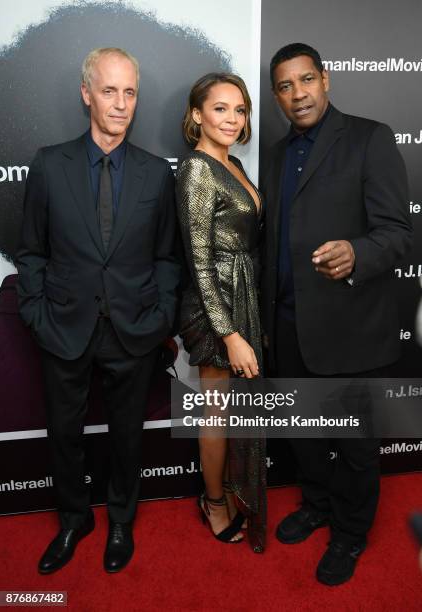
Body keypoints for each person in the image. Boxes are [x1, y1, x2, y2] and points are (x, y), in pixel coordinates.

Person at [16, 47, 179, 573]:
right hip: (63, 326)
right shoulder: (48, 164)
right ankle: (72, 519)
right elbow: (32, 251)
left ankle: (121, 521)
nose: (120, 103)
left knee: (127, 435)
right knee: (64, 433)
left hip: (134, 330)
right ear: (86, 94)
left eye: (129, 92)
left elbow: (166, 257)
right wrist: (38, 314)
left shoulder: (156, 173)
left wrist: (160, 319)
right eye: (109, 91)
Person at [260, 43, 412, 584]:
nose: (297, 94)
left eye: (306, 81)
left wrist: (357, 253)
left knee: (354, 445)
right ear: (276, 94)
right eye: (284, 86)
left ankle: (350, 535)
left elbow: (397, 234)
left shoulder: (370, 138)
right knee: (304, 433)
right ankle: (319, 505)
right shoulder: (276, 155)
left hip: (350, 327)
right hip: (289, 327)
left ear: (326, 81)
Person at [176, 73, 266, 551]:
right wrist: (229, 332)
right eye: (220, 109)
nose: (232, 119)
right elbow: (199, 260)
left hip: (244, 292)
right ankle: (213, 503)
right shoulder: (196, 169)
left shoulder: (232, 165)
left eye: (240, 110)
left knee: (237, 411)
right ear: (197, 115)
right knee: (217, 412)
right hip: (214, 304)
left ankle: (230, 490)